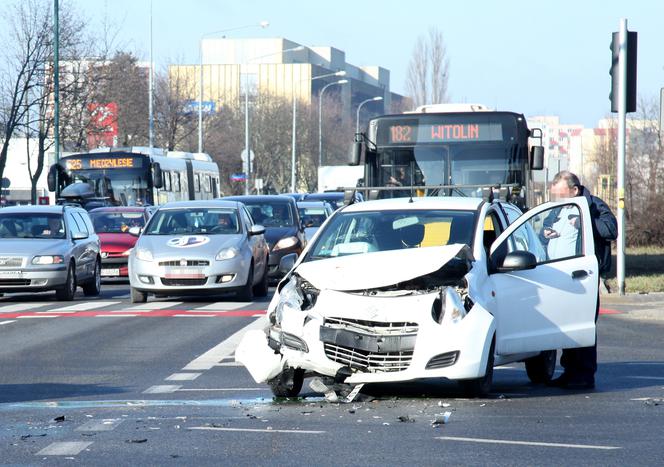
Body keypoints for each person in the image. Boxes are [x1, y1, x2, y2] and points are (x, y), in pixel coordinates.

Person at [546, 171, 617, 390]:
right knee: (566, 326)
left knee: (582, 325)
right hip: (557, 276)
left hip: (581, 277)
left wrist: (586, 223)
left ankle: (584, 374)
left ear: (575, 190)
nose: (557, 200)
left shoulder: (593, 206)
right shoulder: (559, 209)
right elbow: (543, 228)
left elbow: (611, 229)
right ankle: (570, 371)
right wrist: (546, 233)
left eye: (561, 195)